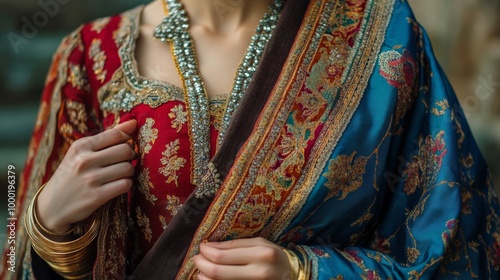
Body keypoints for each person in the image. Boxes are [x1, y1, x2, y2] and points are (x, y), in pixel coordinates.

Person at [1, 0, 499, 279]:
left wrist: (305, 273)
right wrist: (46, 224)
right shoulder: (90, 56)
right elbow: (15, 258)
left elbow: (461, 250)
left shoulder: (380, 37)